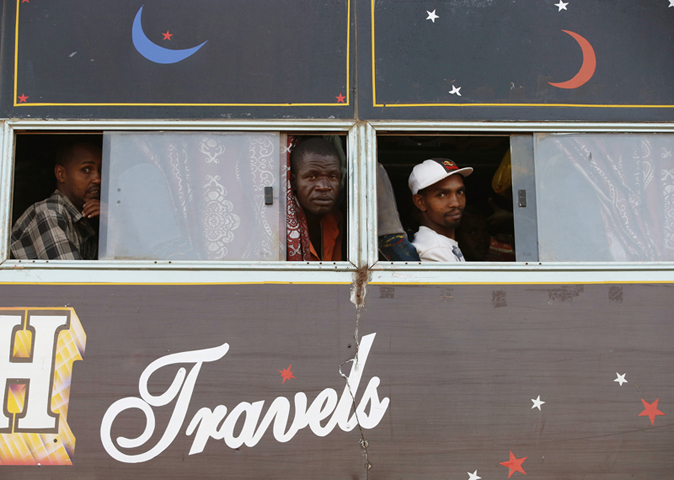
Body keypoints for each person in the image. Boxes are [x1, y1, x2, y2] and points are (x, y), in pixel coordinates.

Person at [10, 142, 102, 260]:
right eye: (86, 169)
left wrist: (113, 225)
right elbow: (69, 276)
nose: (97, 179)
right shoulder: (49, 213)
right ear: (61, 174)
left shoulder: (82, 219)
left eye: (100, 170)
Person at [286, 138, 344, 261]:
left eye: (332, 177)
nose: (324, 187)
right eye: (312, 177)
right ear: (294, 182)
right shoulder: (279, 225)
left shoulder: (336, 220)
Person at [408, 158, 473, 262]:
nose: (456, 203)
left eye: (460, 192)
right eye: (441, 195)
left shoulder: (442, 244)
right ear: (420, 202)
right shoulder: (435, 250)